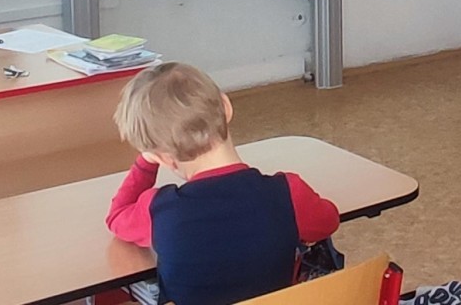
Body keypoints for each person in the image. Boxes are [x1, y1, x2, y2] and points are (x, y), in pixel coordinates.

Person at [106, 62, 340, 305]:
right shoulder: (288, 192)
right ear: (226, 107)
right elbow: (329, 220)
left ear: (161, 157)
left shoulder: (159, 210)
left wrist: (146, 162)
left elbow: (116, 216)